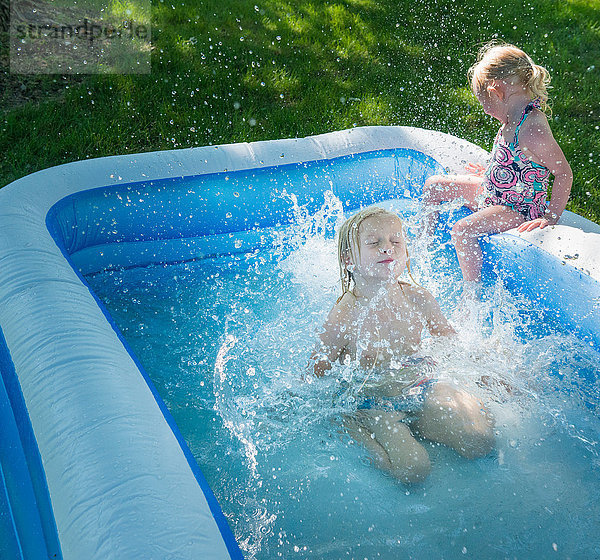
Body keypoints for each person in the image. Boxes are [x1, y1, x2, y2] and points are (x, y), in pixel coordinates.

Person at [308, 207, 494, 484]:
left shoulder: (418, 298)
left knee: (478, 441)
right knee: (412, 470)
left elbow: (451, 344)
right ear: (349, 260)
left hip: (422, 384)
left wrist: (484, 372)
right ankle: (354, 425)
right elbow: (316, 372)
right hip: (373, 403)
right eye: (374, 243)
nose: (387, 249)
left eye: (396, 241)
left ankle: (427, 420)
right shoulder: (346, 314)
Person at [422, 42, 573, 286]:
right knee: (434, 186)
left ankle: (471, 290)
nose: (484, 110)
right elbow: (522, 162)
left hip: (517, 207)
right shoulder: (513, 115)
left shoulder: (532, 128)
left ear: (497, 92)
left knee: (462, 231)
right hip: (494, 191)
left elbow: (563, 173)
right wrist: (494, 170)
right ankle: (424, 252)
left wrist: (551, 216)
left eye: (484, 102)